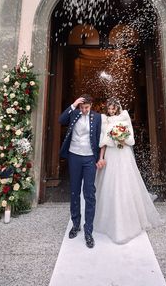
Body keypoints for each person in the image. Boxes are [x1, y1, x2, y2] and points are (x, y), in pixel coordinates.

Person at [93, 99, 162, 243]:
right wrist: (102, 156)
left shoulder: (124, 116)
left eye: (113, 109)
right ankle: (110, 219)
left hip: (123, 153)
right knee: (111, 182)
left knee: (125, 180)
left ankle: (130, 217)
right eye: (109, 109)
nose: (111, 111)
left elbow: (131, 139)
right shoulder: (105, 119)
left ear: (117, 108)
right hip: (111, 154)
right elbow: (103, 140)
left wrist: (122, 139)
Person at [59, 94, 103, 248]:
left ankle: (88, 230)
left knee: (89, 193)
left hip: (90, 158)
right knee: (74, 191)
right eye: (82, 107)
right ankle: (75, 224)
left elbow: (100, 137)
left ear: (91, 106)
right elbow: (61, 120)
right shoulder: (74, 113)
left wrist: (100, 158)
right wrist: (73, 104)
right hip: (74, 156)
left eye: (87, 107)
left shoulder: (97, 117)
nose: (84, 110)